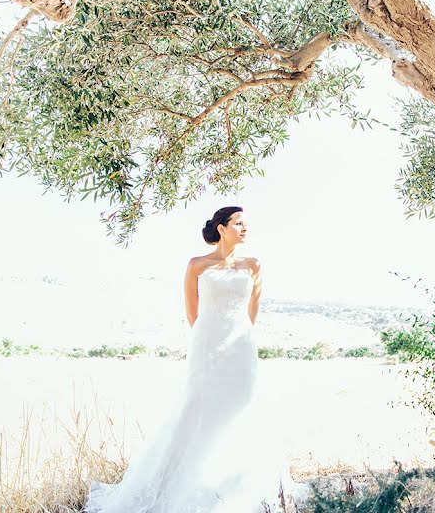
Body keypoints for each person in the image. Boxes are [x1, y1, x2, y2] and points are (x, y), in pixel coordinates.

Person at [85, 206, 306, 512]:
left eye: (245, 224)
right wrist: (211, 335)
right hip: (207, 345)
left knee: (243, 402)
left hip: (241, 345)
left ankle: (243, 483)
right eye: (239, 223)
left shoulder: (253, 265)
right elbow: (192, 313)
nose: (245, 229)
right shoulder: (197, 265)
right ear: (221, 229)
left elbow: (252, 310)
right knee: (199, 405)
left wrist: (238, 332)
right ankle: (180, 482)